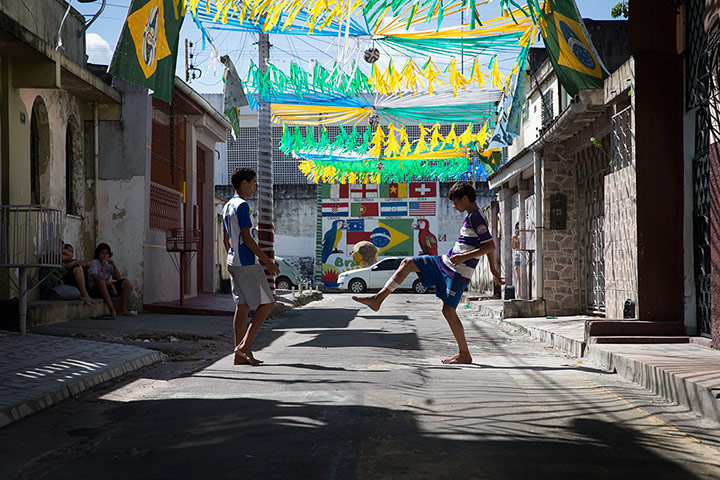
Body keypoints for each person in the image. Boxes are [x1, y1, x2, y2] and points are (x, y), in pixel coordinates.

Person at [353, 181, 504, 364]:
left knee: (448, 311)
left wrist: (465, 258)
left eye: (455, 202)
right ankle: (378, 299)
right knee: (407, 263)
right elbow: (486, 245)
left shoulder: (476, 217)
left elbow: (489, 245)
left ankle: (465, 354)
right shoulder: (472, 216)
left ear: (465, 198)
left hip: (458, 271)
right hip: (446, 262)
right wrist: (493, 269)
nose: (454, 206)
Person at [223, 166, 280, 366]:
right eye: (253, 183)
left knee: (242, 306)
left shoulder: (227, 205)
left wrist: (232, 256)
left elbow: (226, 238)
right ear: (244, 183)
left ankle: (239, 356)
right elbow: (247, 238)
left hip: (232, 260)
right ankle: (244, 347)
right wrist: (266, 261)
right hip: (246, 262)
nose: (254, 187)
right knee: (267, 303)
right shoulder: (242, 206)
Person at [88, 243, 136, 318]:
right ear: (98, 254)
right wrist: (110, 284)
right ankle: (112, 309)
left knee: (126, 282)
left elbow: (118, 278)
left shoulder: (109, 265)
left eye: (107, 253)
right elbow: (95, 277)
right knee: (101, 282)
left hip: (106, 288)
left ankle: (123, 309)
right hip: (95, 289)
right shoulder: (95, 262)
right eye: (102, 253)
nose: (105, 255)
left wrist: (113, 265)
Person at [511, 222, 522, 299]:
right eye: (517, 228)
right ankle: (519, 296)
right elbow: (514, 247)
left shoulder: (523, 236)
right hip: (518, 257)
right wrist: (513, 240)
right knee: (519, 279)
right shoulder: (515, 236)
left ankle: (521, 295)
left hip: (524, 256)